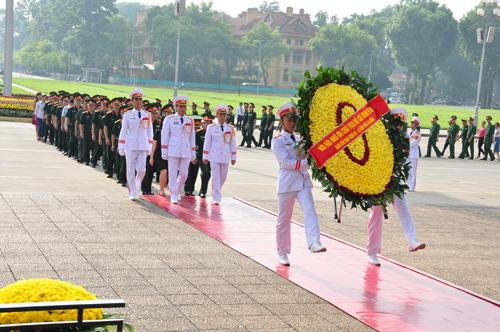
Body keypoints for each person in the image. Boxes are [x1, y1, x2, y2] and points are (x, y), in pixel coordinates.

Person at [367, 107, 425, 266]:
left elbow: (403, 160)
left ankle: (412, 240)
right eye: (397, 124)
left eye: (402, 124)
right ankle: (372, 251)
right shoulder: (380, 138)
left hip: (396, 181)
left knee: (403, 209)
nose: (400, 127)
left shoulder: (403, 140)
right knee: (376, 215)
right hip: (380, 183)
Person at [271, 101, 326, 266]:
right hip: (287, 182)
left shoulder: (300, 138)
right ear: (282, 121)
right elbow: (287, 163)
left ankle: (314, 242)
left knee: (310, 209)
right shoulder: (278, 141)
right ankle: (283, 251)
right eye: (289, 120)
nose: (292, 123)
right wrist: (310, 162)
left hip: (302, 180)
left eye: (294, 120)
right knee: (284, 219)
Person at [118, 89, 154, 200]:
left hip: (143, 145)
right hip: (131, 145)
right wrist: (122, 147)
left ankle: (138, 186)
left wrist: (149, 147)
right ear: (132, 101)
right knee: (130, 169)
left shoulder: (147, 115)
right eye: (136, 100)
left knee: (142, 170)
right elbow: (123, 132)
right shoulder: (128, 115)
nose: (139, 102)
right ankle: (132, 191)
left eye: (140, 100)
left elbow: (149, 133)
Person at [161, 95, 196, 204]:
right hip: (173, 150)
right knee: (172, 173)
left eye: (184, 106)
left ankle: (175, 190)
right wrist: (164, 151)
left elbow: (192, 138)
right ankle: (174, 194)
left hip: (185, 150)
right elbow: (164, 136)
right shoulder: (169, 119)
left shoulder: (190, 120)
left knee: (184, 174)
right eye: (180, 106)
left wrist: (193, 153)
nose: (183, 109)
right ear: (176, 107)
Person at [202, 105, 237, 205]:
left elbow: (232, 144)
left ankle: (215, 191)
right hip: (214, 155)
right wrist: (205, 157)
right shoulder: (211, 128)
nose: (222, 117)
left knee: (223, 177)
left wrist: (233, 157)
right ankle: (217, 196)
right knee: (215, 177)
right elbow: (207, 143)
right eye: (220, 115)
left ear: (226, 116)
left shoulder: (230, 129)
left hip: (225, 155)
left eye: (224, 115)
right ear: (216, 116)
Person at [102, 98, 121, 178]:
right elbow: (105, 127)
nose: (116, 106)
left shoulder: (123, 115)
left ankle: (117, 171)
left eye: (118, 105)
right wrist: (106, 138)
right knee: (109, 155)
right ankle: (109, 171)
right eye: (115, 105)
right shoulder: (109, 115)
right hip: (110, 134)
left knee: (119, 156)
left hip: (119, 136)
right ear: (112, 106)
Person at [150, 116, 168, 196]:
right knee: (163, 171)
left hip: (168, 154)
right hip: (159, 155)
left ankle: (163, 187)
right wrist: (151, 157)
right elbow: (154, 145)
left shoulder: (172, 133)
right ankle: (161, 189)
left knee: (166, 173)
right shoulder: (158, 132)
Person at [196, 116, 213, 198]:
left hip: (210, 157)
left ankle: (202, 191)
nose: (205, 124)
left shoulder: (214, 133)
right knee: (205, 172)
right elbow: (194, 145)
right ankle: (203, 192)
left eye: (207, 123)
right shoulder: (199, 133)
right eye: (204, 123)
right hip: (200, 156)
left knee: (208, 174)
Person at [112, 106, 128, 187]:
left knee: (126, 163)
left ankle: (125, 179)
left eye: (126, 113)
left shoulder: (131, 123)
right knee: (119, 162)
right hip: (120, 144)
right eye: (123, 113)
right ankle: (120, 178)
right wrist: (113, 145)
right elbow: (114, 135)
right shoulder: (118, 123)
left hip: (129, 145)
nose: (124, 114)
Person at [79, 99, 96, 165]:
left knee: (94, 147)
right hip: (86, 132)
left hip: (94, 132)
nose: (90, 107)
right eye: (89, 106)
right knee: (86, 146)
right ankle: (87, 160)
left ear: (94, 106)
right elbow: (81, 123)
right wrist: (81, 132)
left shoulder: (96, 114)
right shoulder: (84, 114)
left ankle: (94, 160)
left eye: (92, 106)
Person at [407, 117, 420, 192]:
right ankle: (408, 185)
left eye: (413, 123)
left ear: (416, 125)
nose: (411, 124)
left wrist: (405, 145)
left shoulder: (417, 134)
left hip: (413, 154)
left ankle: (412, 186)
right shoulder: (409, 132)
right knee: (408, 171)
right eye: (411, 122)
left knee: (412, 171)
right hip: (408, 153)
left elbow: (413, 144)